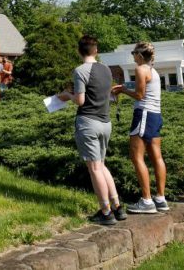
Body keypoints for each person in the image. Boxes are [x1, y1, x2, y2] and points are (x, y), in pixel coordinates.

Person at [57, 35, 125, 225]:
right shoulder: (106, 70)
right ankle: (118, 207)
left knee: (94, 168)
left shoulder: (80, 71)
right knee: (102, 165)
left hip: (88, 123)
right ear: (96, 50)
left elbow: (80, 100)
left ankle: (105, 212)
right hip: (106, 122)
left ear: (79, 51)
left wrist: (66, 95)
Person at [112, 42, 169, 214]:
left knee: (136, 157)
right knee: (156, 157)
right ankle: (160, 198)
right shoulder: (154, 72)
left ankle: (146, 201)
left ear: (139, 55)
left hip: (143, 114)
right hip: (155, 115)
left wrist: (122, 90)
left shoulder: (140, 69)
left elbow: (139, 95)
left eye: (133, 53)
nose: (132, 56)